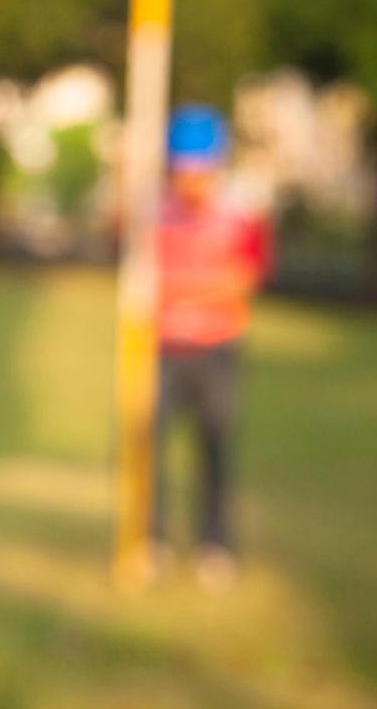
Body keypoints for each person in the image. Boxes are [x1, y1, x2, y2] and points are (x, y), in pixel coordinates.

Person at [150, 103, 271, 590]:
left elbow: (242, 280)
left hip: (217, 346)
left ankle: (215, 544)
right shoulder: (152, 211)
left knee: (215, 446)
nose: (190, 180)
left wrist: (185, 288)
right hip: (161, 347)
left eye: (198, 169)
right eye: (181, 169)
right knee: (149, 445)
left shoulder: (240, 213)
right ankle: (151, 539)